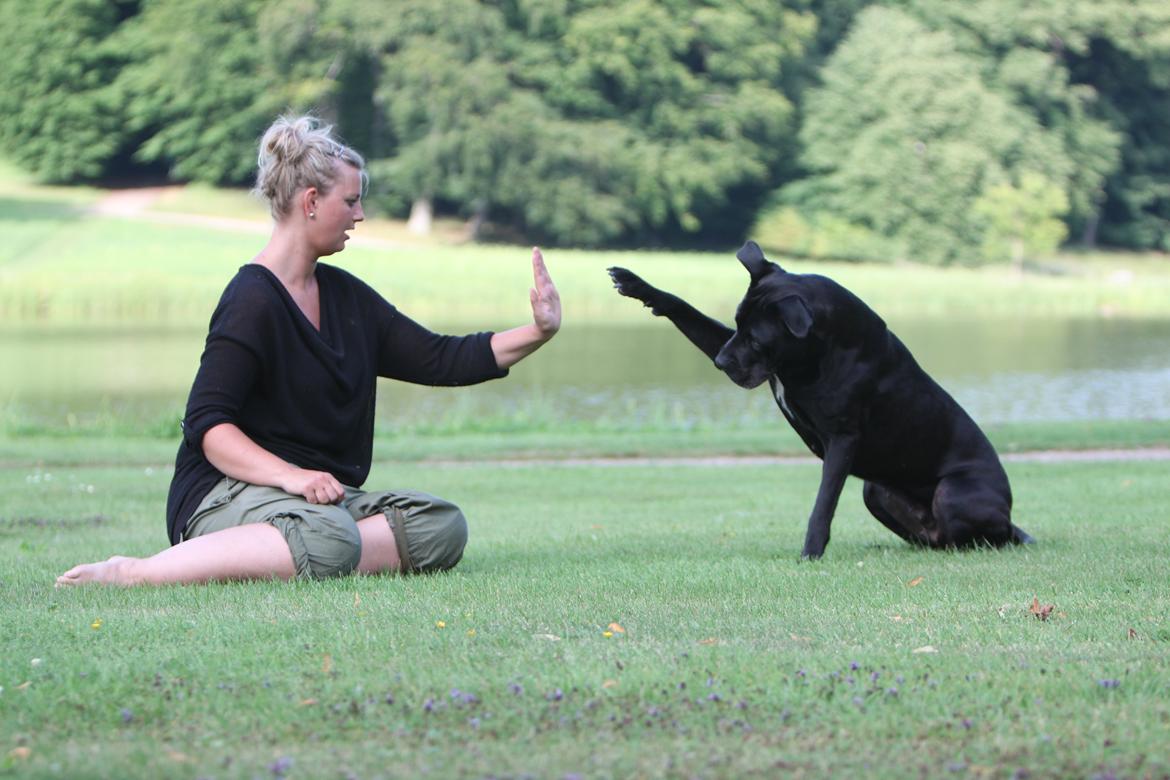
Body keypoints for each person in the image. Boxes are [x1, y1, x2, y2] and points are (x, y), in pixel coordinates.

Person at [57, 115, 561, 586]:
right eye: (352, 201)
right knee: (331, 533)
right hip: (223, 495)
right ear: (312, 201)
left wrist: (537, 331)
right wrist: (292, 479)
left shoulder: (346, 298)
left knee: (440, 525)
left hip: (312, 502)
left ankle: (307, 548)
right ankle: (139, 572)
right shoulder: (252, 300)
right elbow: (210, 429)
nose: (360, 215)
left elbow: (441, 357)